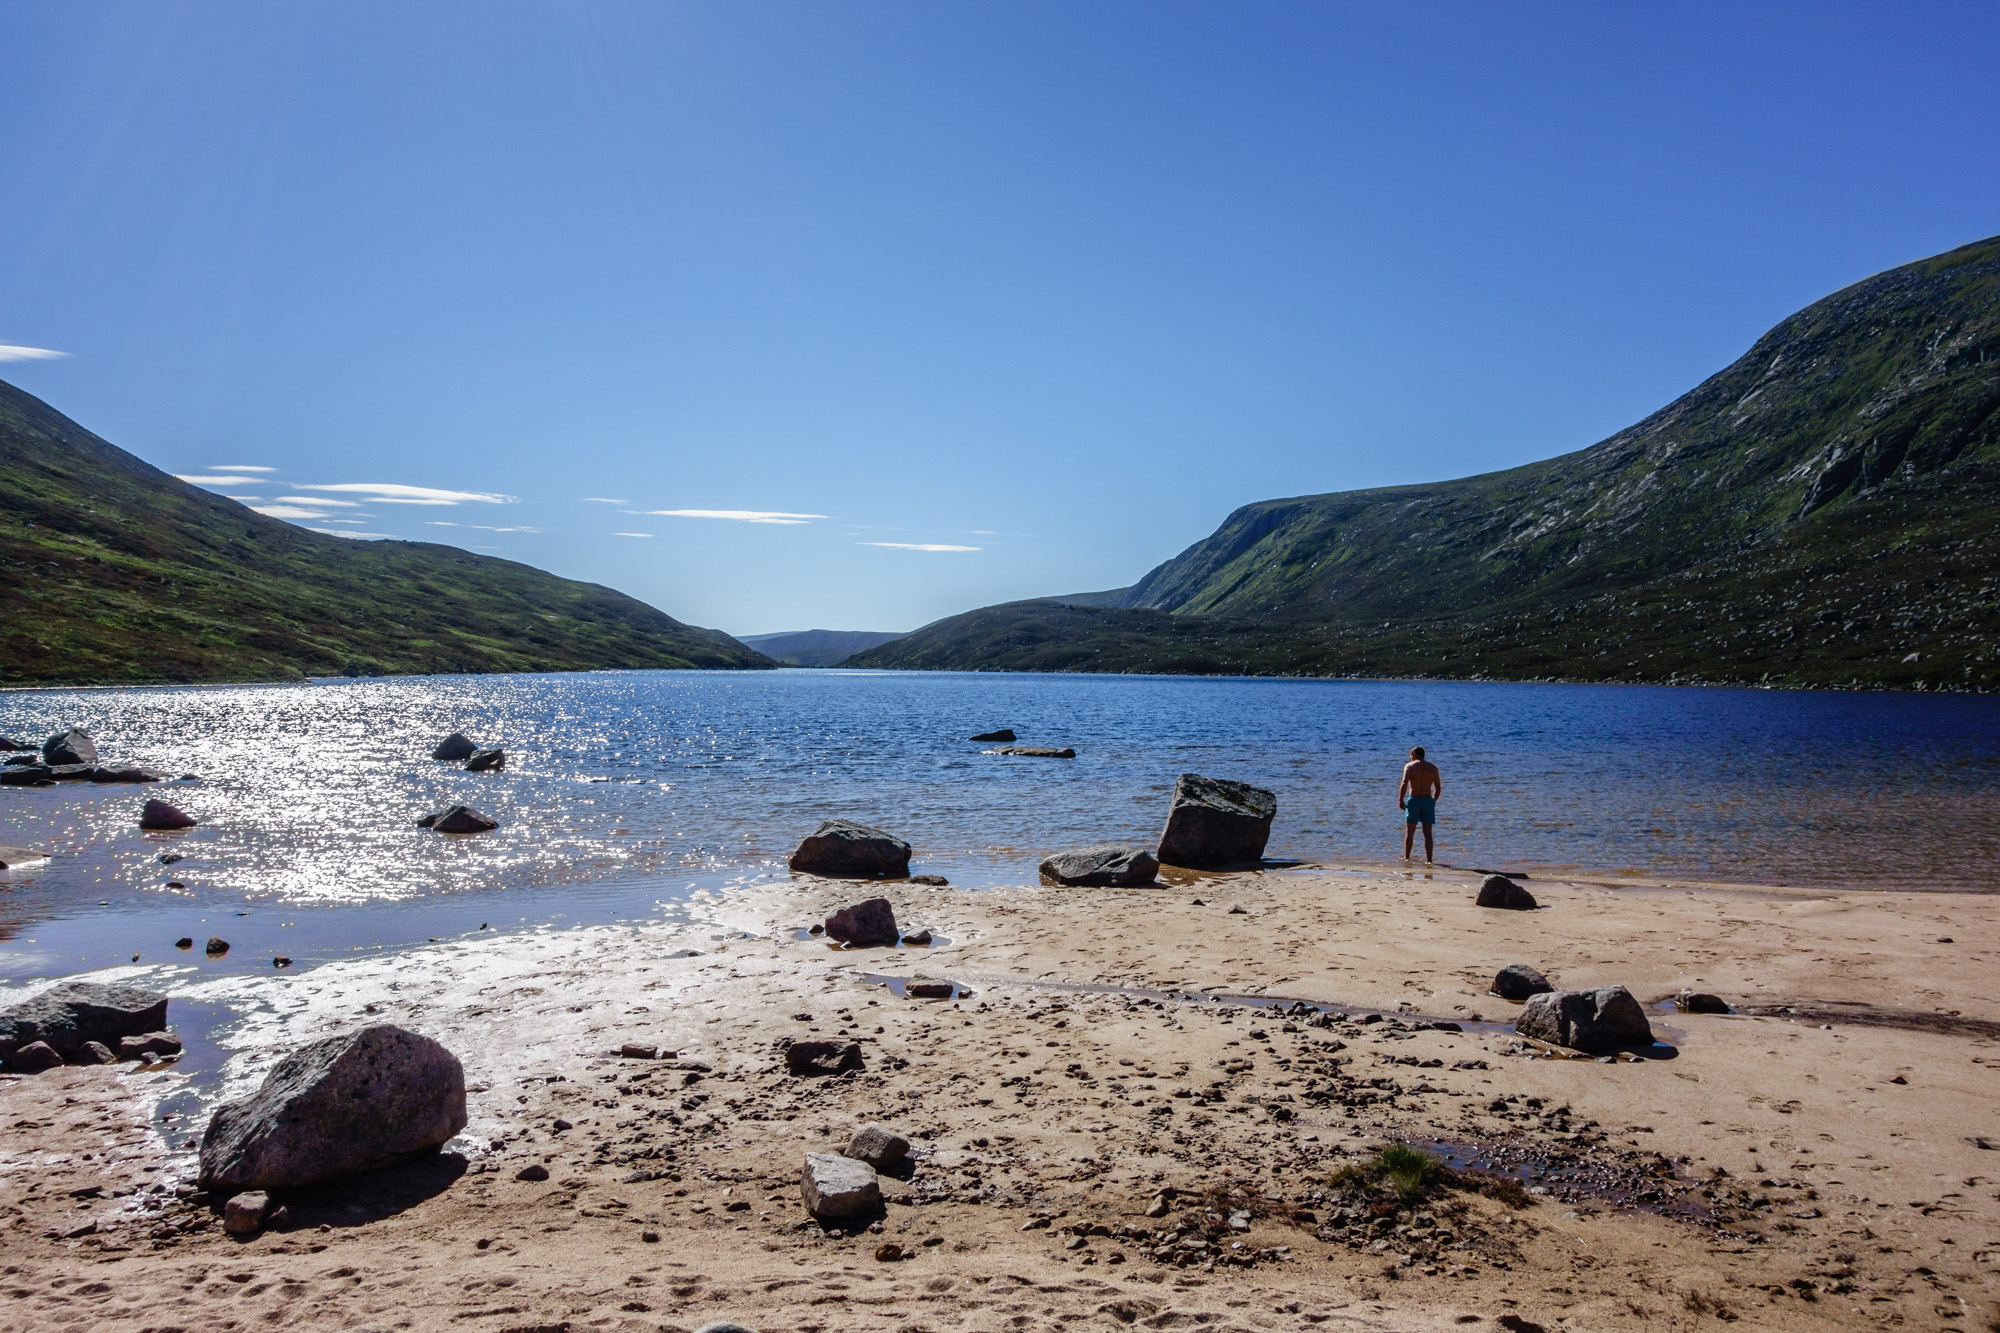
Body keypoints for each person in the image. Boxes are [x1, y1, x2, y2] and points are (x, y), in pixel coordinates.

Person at [1398, 745, 1441, 863]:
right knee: (1428, 833)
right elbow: (1438, 787)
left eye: (1411, 756)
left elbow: (1404, 783)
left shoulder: (1410, 766)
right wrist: (1433, 800)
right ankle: (1429, 860)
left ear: (1414, 755)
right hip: (1427, 800)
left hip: (1414, 799)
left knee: (1410, 832)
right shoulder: (1433, 768)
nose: (1410, 758)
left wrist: (1400, 799)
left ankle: (1407, 858)